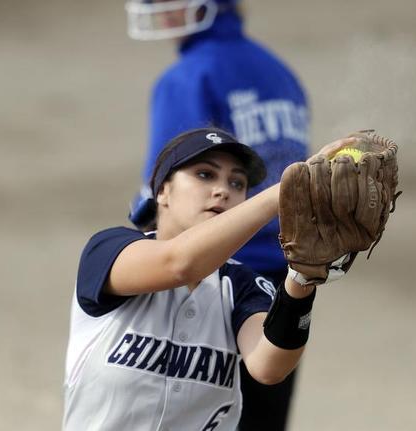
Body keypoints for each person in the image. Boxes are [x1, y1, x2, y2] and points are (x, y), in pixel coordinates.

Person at [62, 128, 351, 430]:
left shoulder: (241, 285)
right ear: (163, 191)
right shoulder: (109, 251)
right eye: (204, 175)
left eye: (237, 183)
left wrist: (301, 279)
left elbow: (269, 366)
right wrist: (286, 191)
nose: (223, 190)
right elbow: (178, 263)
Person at [125, 1, 310, 428]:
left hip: (206, 273)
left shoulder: (186, 77)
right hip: (282, 275)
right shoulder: (282, 73)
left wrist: (140, 229)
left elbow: (162, 184)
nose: (159, 8)